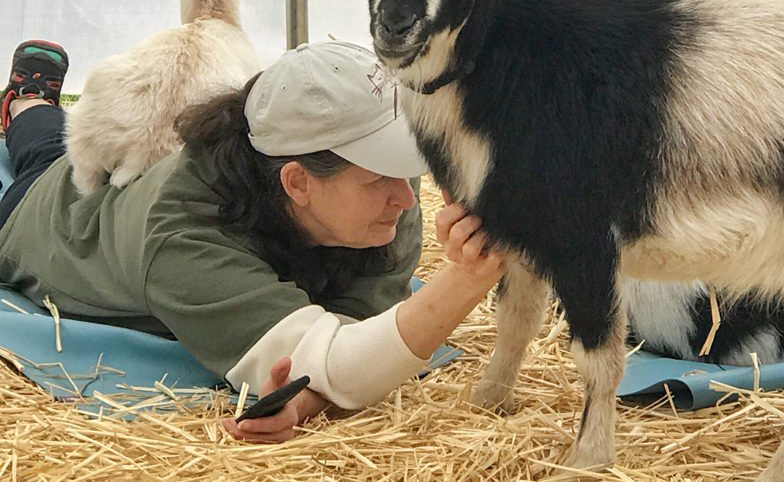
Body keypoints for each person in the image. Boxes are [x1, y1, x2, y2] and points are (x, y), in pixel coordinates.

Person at [0, 39, 505, 442]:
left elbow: (351, 335)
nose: (407, 199)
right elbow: (339, 367)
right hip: (42, 217)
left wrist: (312, 395)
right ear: (298, 183)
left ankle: (33, 105)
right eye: (380, 180)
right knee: (40, 152)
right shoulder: (184, 237)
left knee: (45, 146)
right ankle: (28, 100)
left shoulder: (385, 181)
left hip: (129, 200)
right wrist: (468, 277)